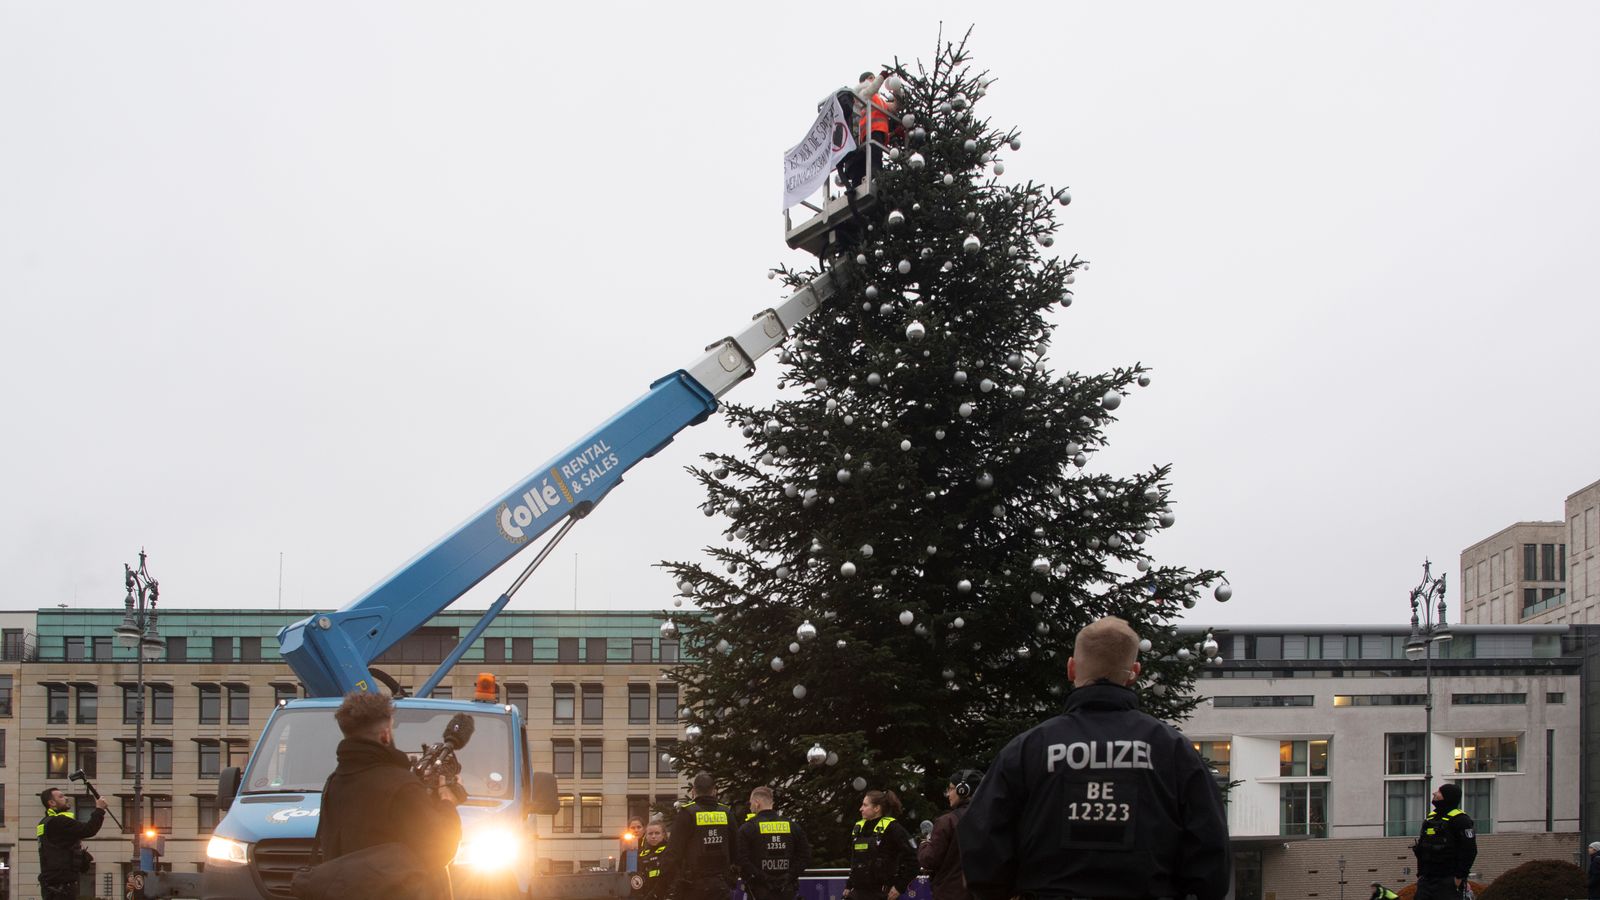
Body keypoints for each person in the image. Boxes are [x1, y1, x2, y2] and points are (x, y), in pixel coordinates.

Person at [958, 616, 1231, 900]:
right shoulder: (1173, 751)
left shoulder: (1028, 749)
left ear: (1071, 668)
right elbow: (1210, 853)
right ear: (1134, 673)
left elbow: (982, 841)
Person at [316, 691, 463, 900]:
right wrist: (447, 803)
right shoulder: (401, 786)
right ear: (385, 734)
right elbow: (440, 850)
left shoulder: (334, 782)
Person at [663, 772, 737, 900]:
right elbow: (736, 849)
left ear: (693, 791)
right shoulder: (726, 812)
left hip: (693, 887)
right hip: (721, 886)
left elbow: (673, 853)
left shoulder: (687, 813)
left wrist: (663, 887)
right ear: (714, 791)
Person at [736, 786, 811, 900]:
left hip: (759, 891)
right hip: (786, 890)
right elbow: (805, 856)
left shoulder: (748, 828)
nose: (750, 807)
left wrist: (763, 878)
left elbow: (741, 859)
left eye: (750, 803)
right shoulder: (792, 827)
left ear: (757, 803)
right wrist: (788, 876)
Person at [919, 770, 981, 900]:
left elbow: (930, 859)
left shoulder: (948, 821)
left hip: (952, 893)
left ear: (963, 790)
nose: (948, 794)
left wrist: (924, 845)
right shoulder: (994, 819)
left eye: (951, 788)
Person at [845, 790, 918, 900]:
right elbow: (856, 861)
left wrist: (899, 886)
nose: (861, 809)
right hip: (857, 893)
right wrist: (849, 886)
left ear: (876, 808)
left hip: (881, 894)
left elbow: (913, 859)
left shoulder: (893, 828)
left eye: (865, 805)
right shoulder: (858, 828)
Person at [37, 788, 107, 900]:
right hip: (62, 886)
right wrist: (99, 809)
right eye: (61, 796)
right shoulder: (59, 821)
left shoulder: (45, 822)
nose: (66, 798)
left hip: (51, 884)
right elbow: (88, 830)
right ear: (51, 803)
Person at [1412, 782, 1477, 900]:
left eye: (1439, 792)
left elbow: (1470, 850)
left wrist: (1459, 877)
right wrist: (1420, 875)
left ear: (1448, 797)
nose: (1434, 793)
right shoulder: (1430, 819)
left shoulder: (1461, 820)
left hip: (1448, 880)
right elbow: (1421, 848)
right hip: (1426, 880)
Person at [639, 819, 670, 900]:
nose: (653, 836)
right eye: (650, 833)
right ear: (646, 835)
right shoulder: (642, 853)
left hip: (664, 895)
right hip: (645, 894)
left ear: (663, 834)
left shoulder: (669, 851)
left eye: (657, 833)